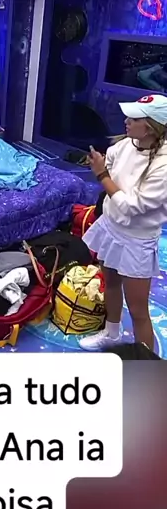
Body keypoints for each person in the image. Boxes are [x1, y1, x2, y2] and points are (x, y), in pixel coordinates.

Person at [79, 94, 167, 352]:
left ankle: (146, 365)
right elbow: (110, 159)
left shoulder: (163, 165)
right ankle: (111, 333)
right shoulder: (128, 143)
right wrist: (100, 162)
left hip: (137, 240)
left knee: (138, 310)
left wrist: (102, 175)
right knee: (112, 284)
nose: (126, 121)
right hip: (112, 228)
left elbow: (132, 207)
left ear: (150, 126)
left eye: (133, 118)